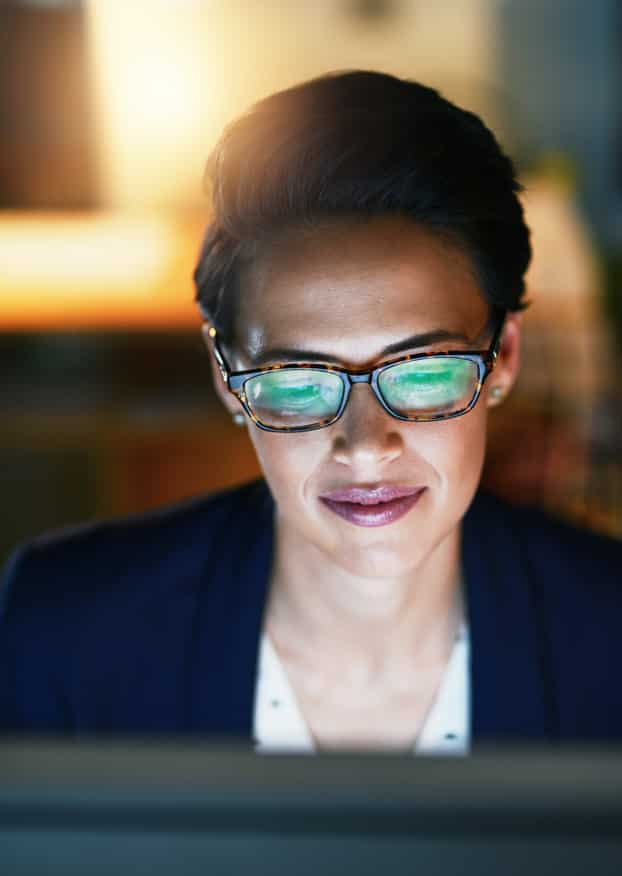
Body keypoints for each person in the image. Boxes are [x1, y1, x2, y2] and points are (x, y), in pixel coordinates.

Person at [1, 70, 620, 751]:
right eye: (299, 381)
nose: (365, 445)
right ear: (227, 376)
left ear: (500, 358)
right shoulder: (62, 632)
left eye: (422, 373)